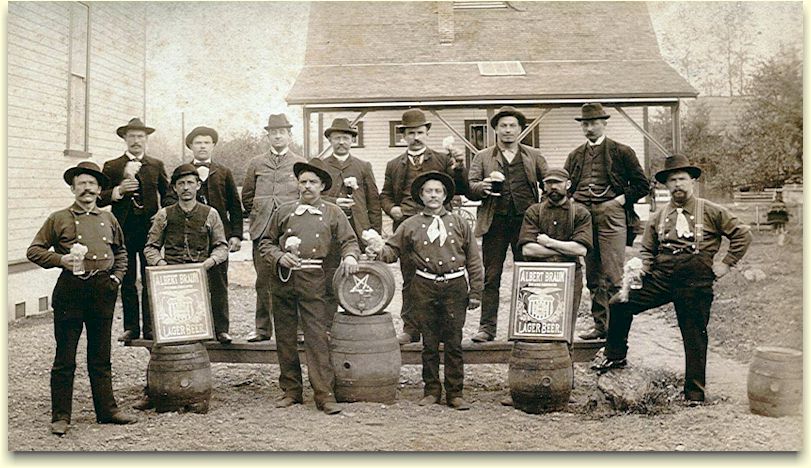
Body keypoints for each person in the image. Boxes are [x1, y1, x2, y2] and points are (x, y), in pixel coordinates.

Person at [592, 154, 752, 405]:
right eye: (672, 180)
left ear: (692, 182)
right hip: (662, 278)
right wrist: (642, 268)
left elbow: (742, 234)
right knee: (619, 302)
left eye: (682, 179)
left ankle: (694, 395)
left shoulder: (710, 211)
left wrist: (726, 264)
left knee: (694, 335)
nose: (677, 184)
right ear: (666, 186)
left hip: (695, 281)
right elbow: (647, 250)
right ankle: (615, 354)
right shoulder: (658, 216)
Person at [27, 161, 138, 436]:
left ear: (100, 189)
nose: (86, 189)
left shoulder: (109, 218)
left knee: (101, 355)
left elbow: (121, 252)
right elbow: (34, 251)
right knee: (65, 357)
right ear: (73, 189)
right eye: (81, 184)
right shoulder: (58, 218)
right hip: (70, 293)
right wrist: (60, 259)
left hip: (102, 291)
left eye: (91, 184)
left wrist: (116, 279)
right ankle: (61, 416)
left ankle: (107, 410)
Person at [369, 171, 483, 410]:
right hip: (424, 286)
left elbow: (473, 258)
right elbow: (391, 252)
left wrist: (475, 292)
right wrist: (377, 250)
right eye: (428, 191)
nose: (433, 195)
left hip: (454, 287)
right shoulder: (410, 225)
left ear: (445, 196)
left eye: (438, 191)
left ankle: (455, 393)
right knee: (429, 343)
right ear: (421, 196)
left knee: (453, 342)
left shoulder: (459, 223)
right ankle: (431, 390)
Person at [257, 159, 360, 415]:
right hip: (284, 279)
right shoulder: (283, 211)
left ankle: (324, 394)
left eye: (313, 182)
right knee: (285, 337)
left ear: (323, 186)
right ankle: (291, 391)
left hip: (315, 280)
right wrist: (280, 257)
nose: (307, 187)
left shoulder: (333, 212)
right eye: (303, 182)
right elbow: (265, 243)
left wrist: (350, 257)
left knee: (317, 338)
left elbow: (350, 241)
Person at [380, 108, 467, 344]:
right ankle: (411, 328)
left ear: (426, 132)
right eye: (410, 133)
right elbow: (385, 195)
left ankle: (437, 328)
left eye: (419, 132)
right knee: (410, 278)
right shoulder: (394, 164)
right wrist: (392, 209)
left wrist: (458, 167)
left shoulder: (440, 159)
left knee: (436, 276)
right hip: (407, 226)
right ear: (403, 136)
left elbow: (458, 187)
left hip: (436, 222)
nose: (415, 137)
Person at [564, 103, 649, 340]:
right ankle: (600, 326)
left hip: (612, 215)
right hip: (583, 216)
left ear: (604, 124)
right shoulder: (575, 156)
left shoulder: (621, 152)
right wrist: (573, 205)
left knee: (613, 274)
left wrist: (619, 201)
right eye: (585, 124)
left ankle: (617, 329)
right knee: (593, 275)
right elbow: (566, 185)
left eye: (593, 123)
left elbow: (642, 184)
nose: (589, 128)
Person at [466, 106, 548, 342]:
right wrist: (484, 186)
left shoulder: (534, 155)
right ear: (496, 130)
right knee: (491, 276)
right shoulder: (483, 157)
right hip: (495, 224)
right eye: (503, 126)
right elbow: (470, 187)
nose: (508, 130)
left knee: (529, 274)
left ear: (520, 130)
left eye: (513, 126)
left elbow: (548, 182)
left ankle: (530, 323)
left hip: (527, 224)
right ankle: (487, 328)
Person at [99, 117, 171, 342]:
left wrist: (163, 214)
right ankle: (131, 327)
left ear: (146, 139)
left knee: (150, 277)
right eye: (132, 136)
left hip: (150, 231)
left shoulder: (156, 164)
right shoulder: (112, 166)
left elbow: (168, 193)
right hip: (123, 231)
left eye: (141, 136)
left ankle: (150, 327)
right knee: (127, 279)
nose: (136, 141)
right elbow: (99, 198)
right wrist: (118, 190)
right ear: (125, 139)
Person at [144, 164, 231, 342]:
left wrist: (209, 262)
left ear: (198, 185)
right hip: (172, 273)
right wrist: (162, 265)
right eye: (181, 183)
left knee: (219, 277)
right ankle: (162, 329)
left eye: (190, 183)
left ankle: (220, 329)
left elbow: (222, 247)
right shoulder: (164, 214)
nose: (186, 188)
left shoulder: (211, 214)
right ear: (175, 188)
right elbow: (150, 247)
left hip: (202, 270)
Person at [241, 113, 306, 342]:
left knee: (294, 279)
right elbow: (247, 196)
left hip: (291, 231)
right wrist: (261, 214)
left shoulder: (300, 163)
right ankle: (262, 329)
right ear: (268, 135)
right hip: (262, 231)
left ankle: (296, 330)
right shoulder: (256, 163)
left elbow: (305, 195)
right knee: (263, 281)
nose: (277, 136)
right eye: (273, 132)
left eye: (282, 132)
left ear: (289, 135)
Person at [185, 126, 243, 343]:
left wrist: (236, 234)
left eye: (207, 142)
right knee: (193, 282)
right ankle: (195, 329)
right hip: (191, 236)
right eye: (198, 142)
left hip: (219, 237)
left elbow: (235, 207)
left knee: (219, 282)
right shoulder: (182, 171)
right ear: (191, 146)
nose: (202, 146)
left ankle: (221, 329)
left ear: (213, 146)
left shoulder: (223, 172)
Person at [319, 117, 382, 319]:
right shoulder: (321, 165)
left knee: (360, 276)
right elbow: (314, 197)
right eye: (336, 138)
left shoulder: (363, 166)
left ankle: (358, 320)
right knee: (330, 276)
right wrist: (334, 202)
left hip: (358, 230)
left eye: (345, 138)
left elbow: (374, 201)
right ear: (330, 140)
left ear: (352, 141)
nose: (341, 142)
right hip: (330, 230)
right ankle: (329, 324)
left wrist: (375, 234)